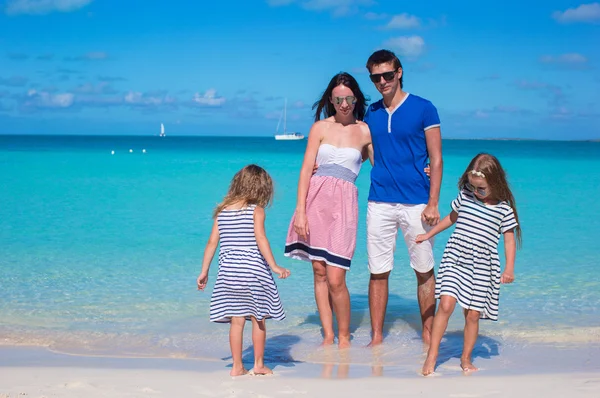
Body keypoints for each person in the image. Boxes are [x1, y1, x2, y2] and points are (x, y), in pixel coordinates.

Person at [284, 72, 372, 349]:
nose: (344, 104)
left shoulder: (365, 131)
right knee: (319, 271)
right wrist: (300, 211)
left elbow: (385, 168)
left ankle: (344, 336)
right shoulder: (320, 128)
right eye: (338, 99)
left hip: (344, 206)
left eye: (348, 98)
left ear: (356, 98)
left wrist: (423, 170)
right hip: (315, 201)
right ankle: (328, 335)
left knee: (336, 277)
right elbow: (305, 170)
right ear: (331, 100)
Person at [364, 49, 443, 346]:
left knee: (424, 269)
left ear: (399, 72)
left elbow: (436, 159)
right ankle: (375, 337)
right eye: (375, 77)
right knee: (377, 271)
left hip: (417, 203)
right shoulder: (370, 113)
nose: (382, 81)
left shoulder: (424, 108)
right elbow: (357, 146)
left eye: (386, 74)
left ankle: (427, 331)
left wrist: (433, 202)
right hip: (379, 201)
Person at [416, 153, 521, 375]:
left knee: (472, 314)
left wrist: (509, 268)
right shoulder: (465, 196)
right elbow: (451, 218)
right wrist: (429, 234)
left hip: (483, 265)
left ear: (496, 183)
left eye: (481, 189)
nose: (476, 192)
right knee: (445, 304)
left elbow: (509, 240)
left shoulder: (504, 210)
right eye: (473, 187)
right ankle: (431, 357)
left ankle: (466, 358)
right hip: (456, 257)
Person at [197, 164, 291, 376]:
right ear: (261, 189)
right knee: (259, 318)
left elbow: (212, 243)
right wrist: (274, 266)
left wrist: (204, 271)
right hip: (253, 271)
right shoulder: (256, 211)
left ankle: (237, 367)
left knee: (236, 320)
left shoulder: (221, 213)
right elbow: (260, 239)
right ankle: (258, 364)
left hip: (228, 273)